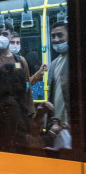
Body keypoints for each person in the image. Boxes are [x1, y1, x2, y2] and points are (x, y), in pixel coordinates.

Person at [45, 21, 71, 150]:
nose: (56, 39)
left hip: (72, 126)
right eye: (53, 36)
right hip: (57, 126)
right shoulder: (54, 63)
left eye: (60, 35)